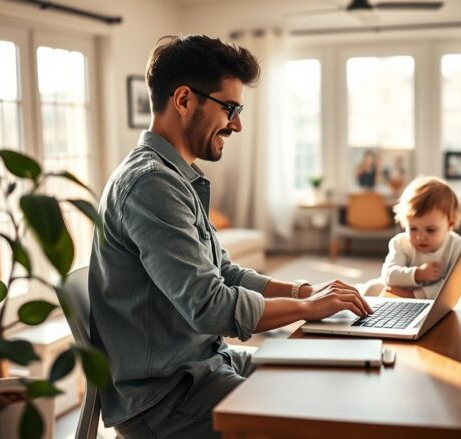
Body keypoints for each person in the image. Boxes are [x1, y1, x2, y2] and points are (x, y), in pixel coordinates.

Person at [88, 35, 372, 439]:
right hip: (166, 396)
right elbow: (210, 307)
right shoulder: (151, 184)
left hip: (205, 365)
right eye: (230, 108)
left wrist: (304, 291)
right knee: (315, 417)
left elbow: (224, 273)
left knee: (329, 373)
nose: (237, 124)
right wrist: (306, 307)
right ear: (184, 100)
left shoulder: (174, 178)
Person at [367, 176, 461, 299]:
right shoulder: (401, 243)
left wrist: (413, 295)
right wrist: (418, 274)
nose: (420, 237)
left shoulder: (458, 246)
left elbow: (454, 287)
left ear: (450, 223)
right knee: (371, 289)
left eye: (430, 230)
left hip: (424, 298)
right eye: (413, 228)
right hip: (394, 294)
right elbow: (389, 275)